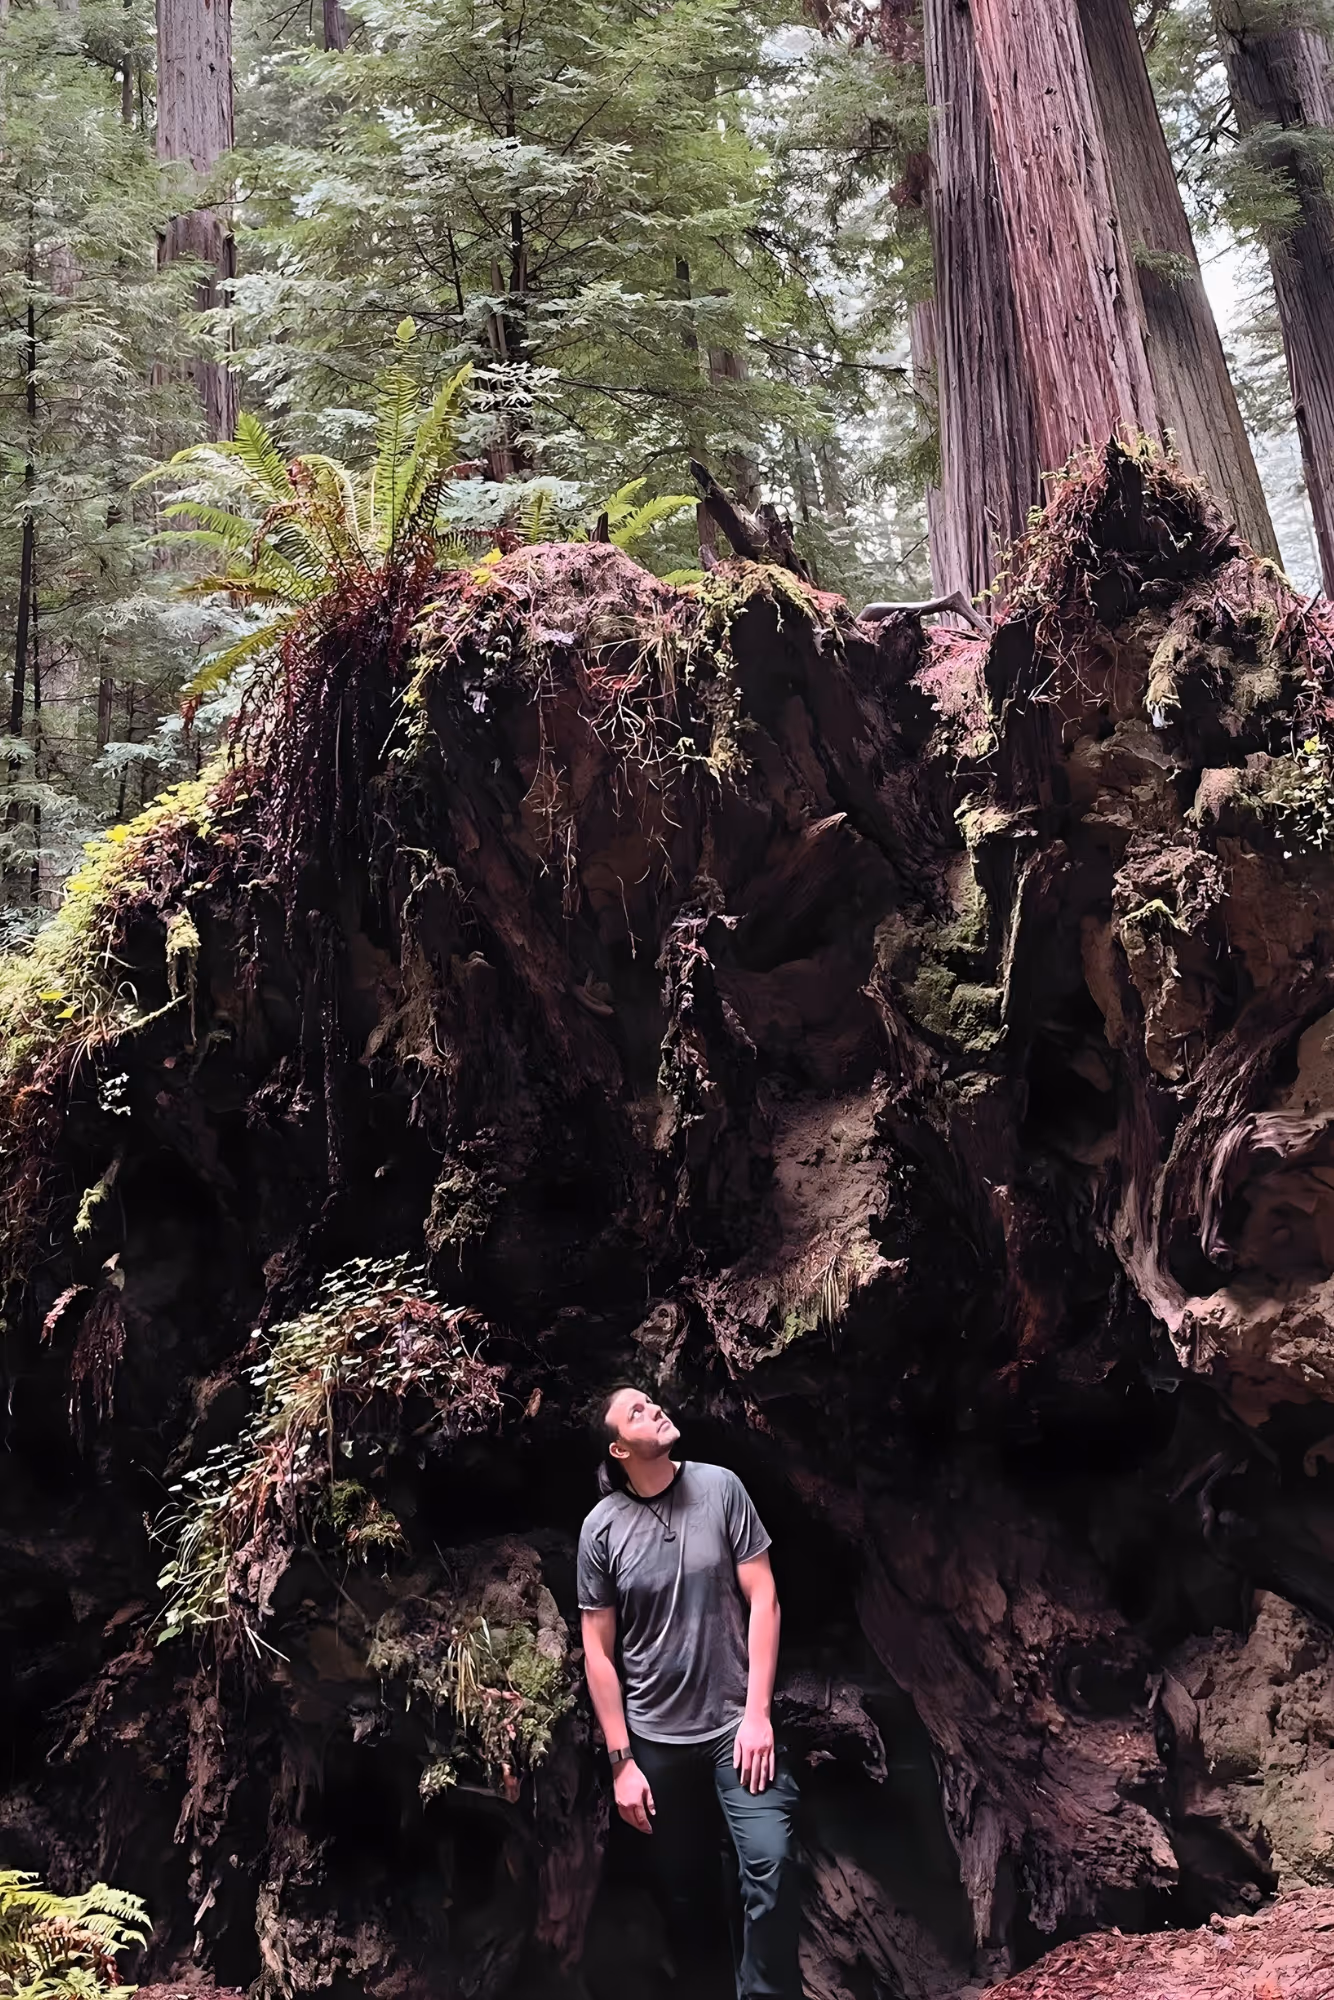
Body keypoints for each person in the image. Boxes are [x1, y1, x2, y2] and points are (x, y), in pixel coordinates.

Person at [577, 1386, 803, 1999]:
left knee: (772, 1863)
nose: (653, 1408)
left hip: (736, 1725)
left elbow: (765, 1597)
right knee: (685, 1890)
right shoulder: (601, 1530)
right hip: (656, 1742)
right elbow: (598, 1651)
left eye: (650, 1400)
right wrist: (622, 1761)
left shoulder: (721, 1487)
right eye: (635, 1411)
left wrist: (758, 1713)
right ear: (620, 1447)